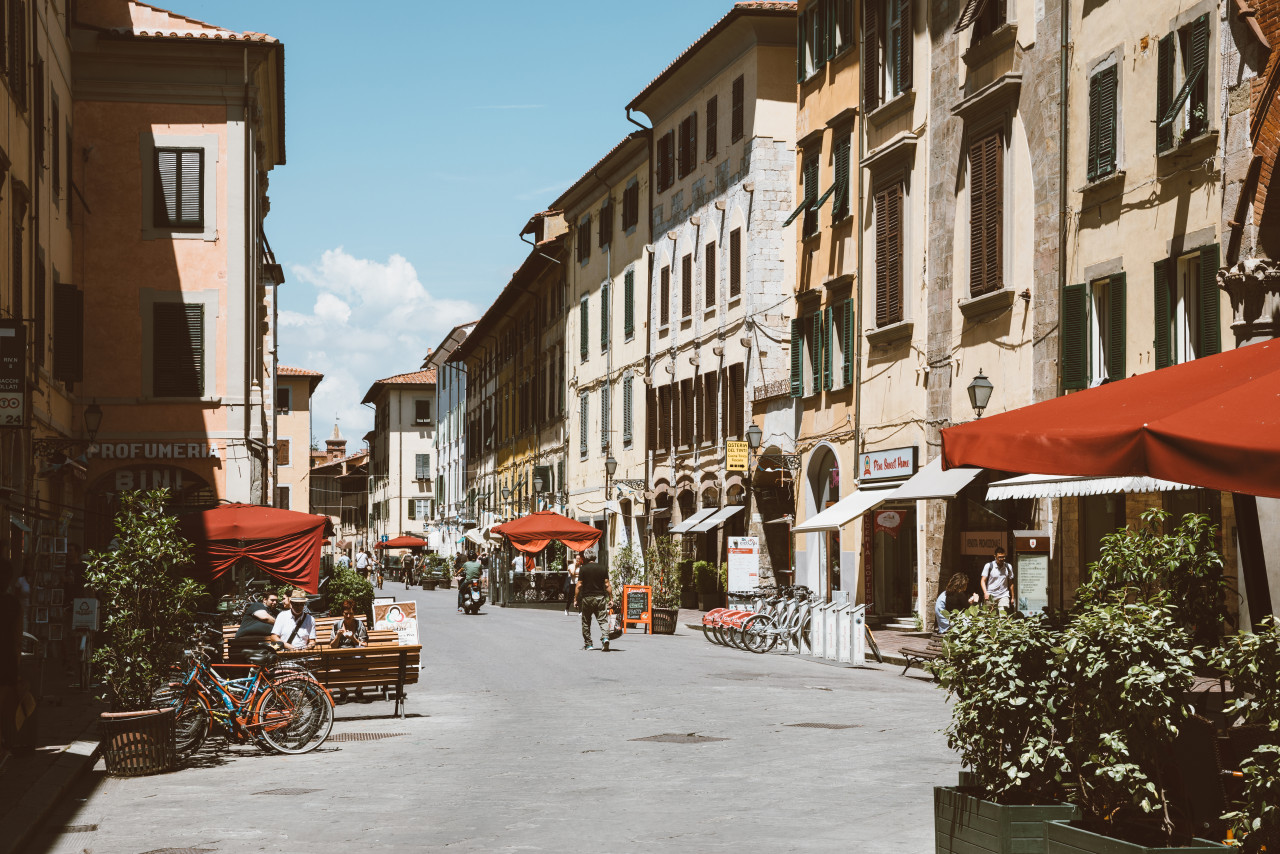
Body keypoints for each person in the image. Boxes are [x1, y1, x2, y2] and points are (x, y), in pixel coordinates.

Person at [574, 548, 612, 651]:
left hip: (587, 598)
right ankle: (605, 638)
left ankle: (589, 644)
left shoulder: (583, 569)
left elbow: (579, 585)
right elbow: (607, 584)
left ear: (586, 557)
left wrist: (575, 599)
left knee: (586, 621)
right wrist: (611, 598)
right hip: (600, 597)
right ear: (595, 557)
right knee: (603, 619)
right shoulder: (603, 568)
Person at [233, 591, 279, 661]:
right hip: (243, 643)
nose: (275, 602)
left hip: (261, 644)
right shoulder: (257, 605)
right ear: (264, 600)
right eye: (272, 600)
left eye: (276, 601)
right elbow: (265, 617)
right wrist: (281, 625)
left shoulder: (275, 612)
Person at [980, 548, 1016, 614]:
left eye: (1003, 557)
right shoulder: (989, 566)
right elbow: (983, 580)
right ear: (995, 556)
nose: (1001, 559)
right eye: (999, 557)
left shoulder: (1008, 567)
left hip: (1003, 595)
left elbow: (1011, 583)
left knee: (1003, 616)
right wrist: (985, 592)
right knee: (990, 617)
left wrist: (1013, 597)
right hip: (990, 595)